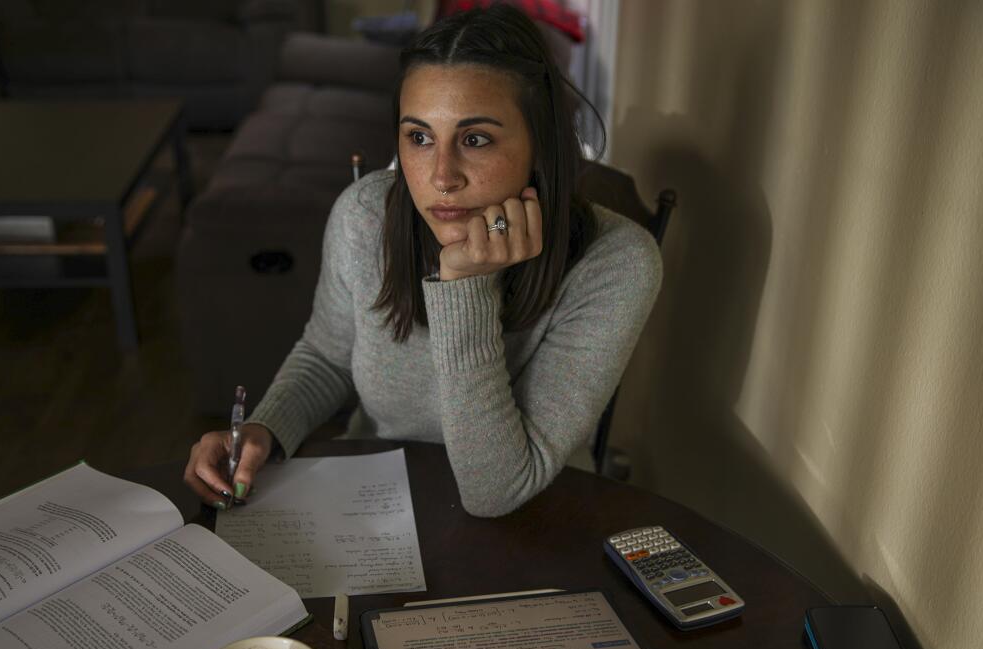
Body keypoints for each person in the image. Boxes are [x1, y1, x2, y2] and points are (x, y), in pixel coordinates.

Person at [184, 4, 661, 517]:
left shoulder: (617, 262)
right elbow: (326, 355)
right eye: (419, 137)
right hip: (375, 502)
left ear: (540, 145)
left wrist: (465, 285)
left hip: (536, 524)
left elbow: (496, 490)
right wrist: (265, 428)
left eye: (475, 139)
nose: (441, 176)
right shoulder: (364, 216)